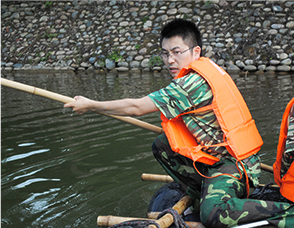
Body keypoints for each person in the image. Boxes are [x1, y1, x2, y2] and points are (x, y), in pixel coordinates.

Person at [64, 19, 294, 227]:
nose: (169, 60)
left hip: (233, 165)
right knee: (162, 146)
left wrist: (91, 104)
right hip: (220, 158)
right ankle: (202, 192)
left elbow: (136, 107)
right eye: (164, 53)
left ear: (195, 51)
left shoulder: (191, 83)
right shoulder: (206, 68)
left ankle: (286, 213)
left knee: (214, 215)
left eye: (176, 52)